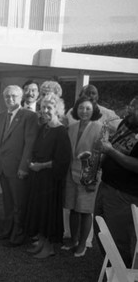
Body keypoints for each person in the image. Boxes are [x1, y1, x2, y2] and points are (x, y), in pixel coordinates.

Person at [25, 93, 71, 259]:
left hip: (50, 180)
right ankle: (41, 244)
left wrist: (41, 166)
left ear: (57, 110)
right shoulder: (44, 128)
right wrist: (32, 163)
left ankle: (49, 247)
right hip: (38, 177)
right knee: (39, 211)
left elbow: (63, 160)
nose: (45, 110)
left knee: (48, 213)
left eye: (49, 108)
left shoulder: (61, 131)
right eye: (43, 107)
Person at [94, 96, 138, 267]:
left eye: (135, 107)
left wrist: (110, 152)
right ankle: (112, 270)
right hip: (106, 185)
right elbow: (114, 145)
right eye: (130, 105)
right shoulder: (127, 122)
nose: (129, 110)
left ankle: (122, 273)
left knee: (117, 238)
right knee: (101, 232)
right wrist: (97, 163)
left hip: (124, 194)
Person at [0, 85, 38, 247]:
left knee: (19, 203)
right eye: (7, 96)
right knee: (7, 202)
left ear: (21, 98)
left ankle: (19, 234)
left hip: (18, 167)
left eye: (13, 96)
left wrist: (24, 167)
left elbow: (30, 143)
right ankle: (7, 229)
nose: (10, 99)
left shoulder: (28, 116)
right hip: (3, 167)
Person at [63, 96, 103, 257]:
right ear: (76, 109)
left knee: (85, 211)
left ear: (93, 110)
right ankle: (73, 240)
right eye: (81, 108)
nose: (84, 111)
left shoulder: (99, 127)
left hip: (89, 175)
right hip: (71, 174)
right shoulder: (71, 127)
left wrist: (94, 177)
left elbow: (100, 155)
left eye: (87, 108)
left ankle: (82, 244)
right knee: (73, 208)